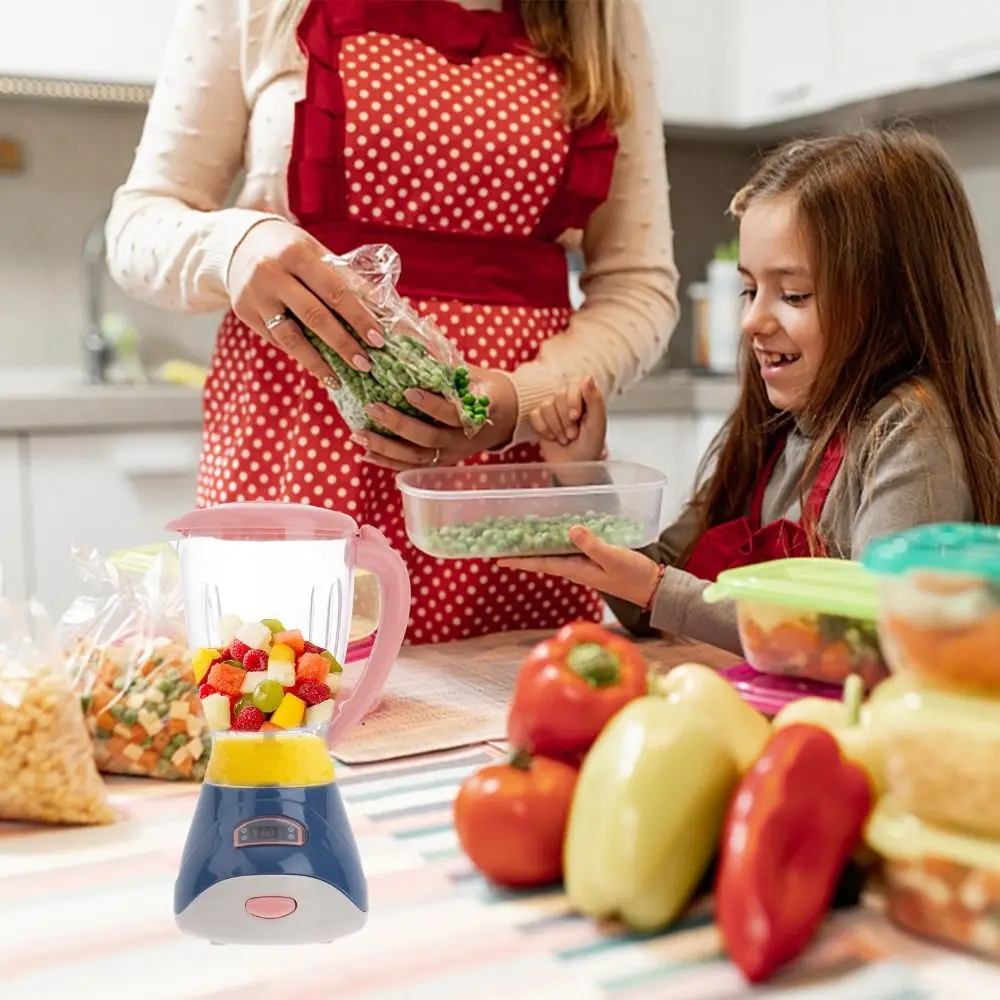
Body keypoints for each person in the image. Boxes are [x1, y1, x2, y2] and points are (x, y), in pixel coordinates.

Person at [105, 0, 679, 645]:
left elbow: (640, 283)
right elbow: (137, 226)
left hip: (505, 467)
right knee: (284, 703)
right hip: (297, 449)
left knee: (516, 724)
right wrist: (232, 247)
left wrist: (520, 402)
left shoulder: (598, 13)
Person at [502, 127, 1000, 653]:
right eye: (748, 289)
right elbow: (652, 599)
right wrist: (584, 477)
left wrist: (658, 588)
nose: (751, 321)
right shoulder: (779, 425)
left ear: (895, 299)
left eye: (793, 294)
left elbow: (874, 639)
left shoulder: (909, 428)